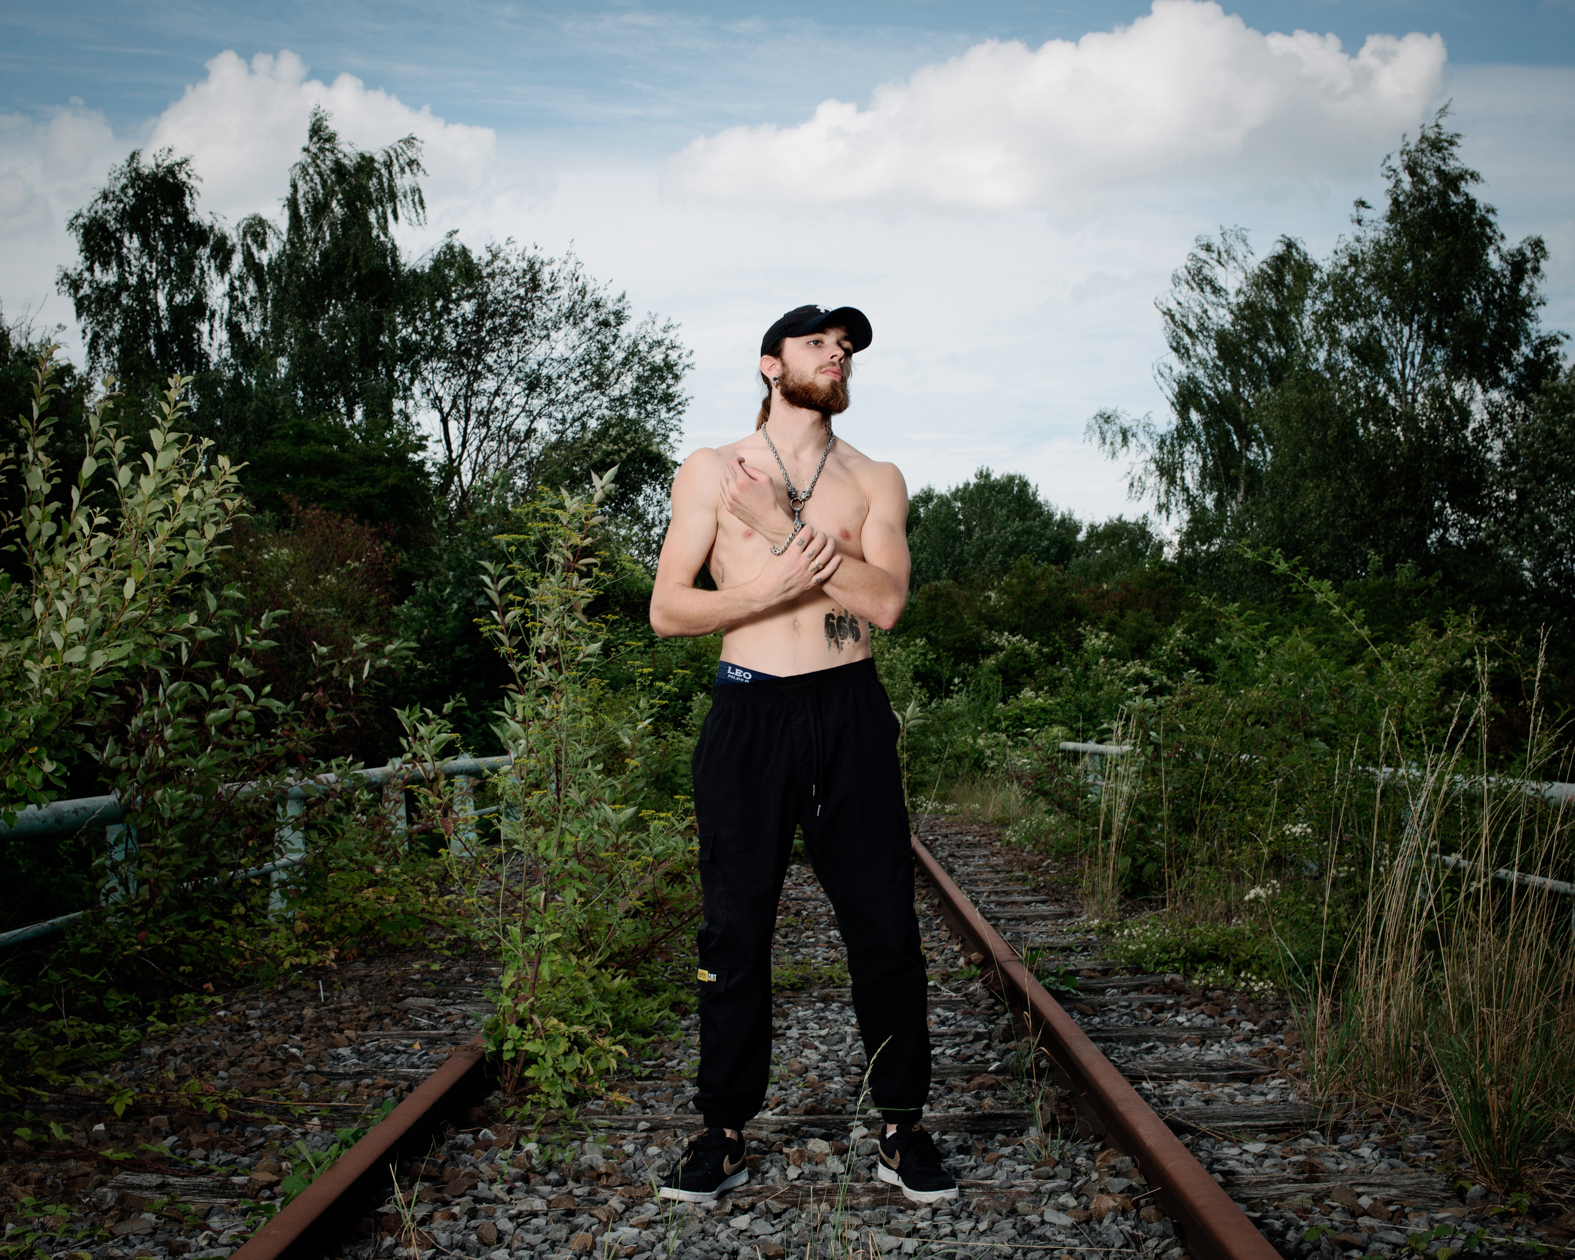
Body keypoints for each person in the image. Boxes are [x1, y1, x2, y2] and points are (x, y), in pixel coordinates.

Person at [648, 304, 957, 1205]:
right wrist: (768, 591)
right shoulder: (711, 469)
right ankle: (722, 1130)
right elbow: (668, 610)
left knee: (884, 928)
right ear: (769, 364)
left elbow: (885, 604)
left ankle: (901, 1127)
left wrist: (781, 531)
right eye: (817, 343)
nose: (837, 355)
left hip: (848, 709)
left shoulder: (874, 479)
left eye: (845, 346)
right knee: (733, 929)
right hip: (747, 710)